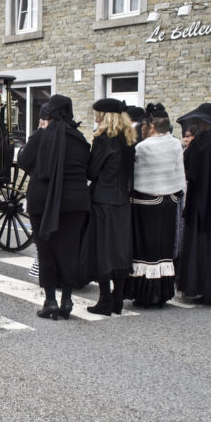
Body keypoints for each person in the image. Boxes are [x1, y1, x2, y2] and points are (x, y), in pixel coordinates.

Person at [17, 95, 90, 320]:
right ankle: (67, 299)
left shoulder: (42, 136)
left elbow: (23, 161)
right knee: (69, 251)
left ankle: (50, 301)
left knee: (46, 250)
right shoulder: (79, 138)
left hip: (44, 199)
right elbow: (87, 168)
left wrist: (38, 132)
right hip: (76, 202)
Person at [122, 103, 185, 307]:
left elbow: (134, 176)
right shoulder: (176, 144)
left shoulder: (144, 147)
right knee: (163, 250)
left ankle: (146, 294)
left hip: (146, 204)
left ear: (150, 127)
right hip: (170, 202)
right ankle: (162, 292)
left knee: (146, 251)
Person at [85, 99, 136, 316]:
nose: (95, 119)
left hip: (103, 200)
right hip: (122, 200)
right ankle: (118, 298)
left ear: (107, 117)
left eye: (98, 114)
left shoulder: (104, 140)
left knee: (104, 250)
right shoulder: (128, 140)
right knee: (120, 249)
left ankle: (105, 299)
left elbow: (91, 171)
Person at [176, 103, 211, 305]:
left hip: (201, 203)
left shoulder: (200, 144)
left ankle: (201, 286)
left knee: (201, 248)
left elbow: (190, 171)